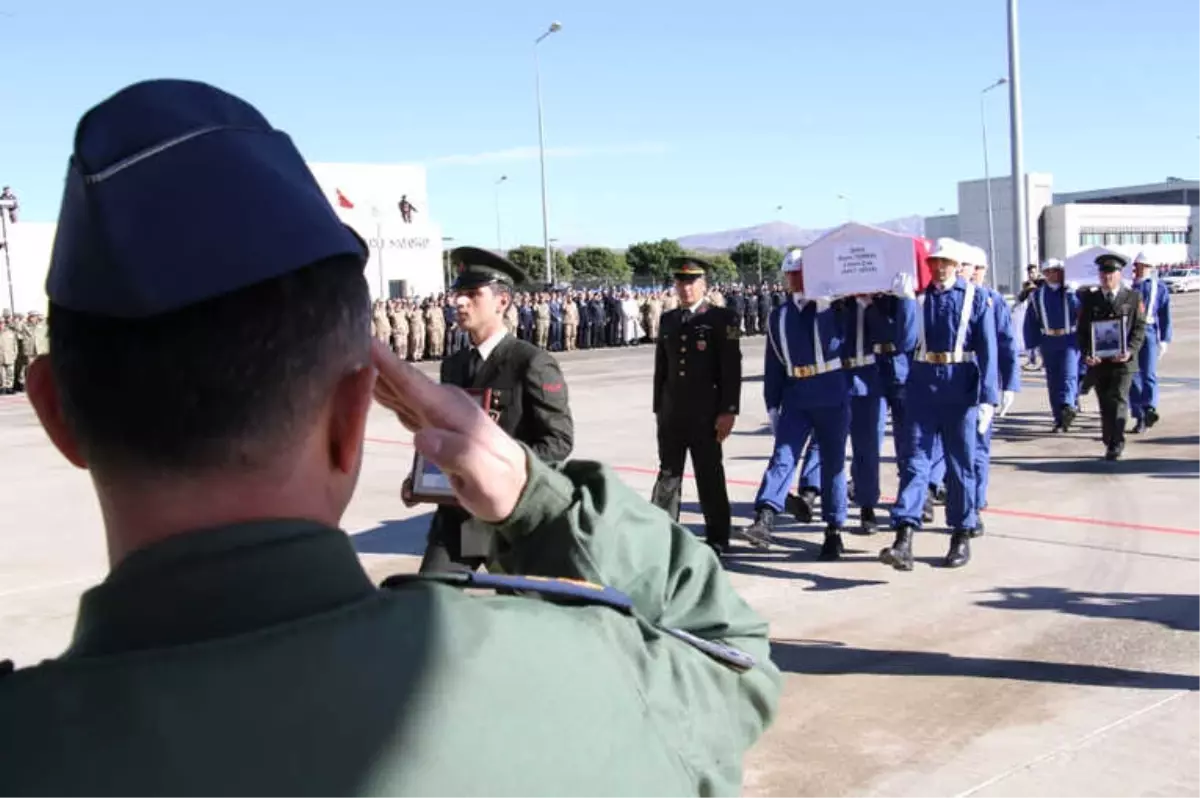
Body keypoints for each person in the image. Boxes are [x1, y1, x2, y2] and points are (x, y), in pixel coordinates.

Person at [0, 78, 781, 798]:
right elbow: (729, 658)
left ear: (57, 415)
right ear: (354, 415)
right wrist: (536, 505)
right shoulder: (576, 676)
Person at [414, 246, 574, 573]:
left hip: (512, 516)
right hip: (459, 514)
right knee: (432, 599)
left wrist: (502, 469)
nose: (459, 302)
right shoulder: (454, 366)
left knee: (523, 611)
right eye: (458, 293)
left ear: (502, 301)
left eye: (473, 294)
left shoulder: (530, 362)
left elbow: (558, 441)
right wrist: (421, 478)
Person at [880, 239, 998, 571]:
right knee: (915, 461)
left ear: (958, 265)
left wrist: (989, 397)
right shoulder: (919, 299)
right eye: (934, 262)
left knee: (960, 464)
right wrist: (904, 303)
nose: (939, 267)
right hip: (922, 384)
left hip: (960, 385)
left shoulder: (976, 298)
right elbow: (905, 343)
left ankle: (961, 533)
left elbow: (988, 350)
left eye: (945, 262)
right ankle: (903, 537)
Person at [740, 250, 850, 559]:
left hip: (831, 391)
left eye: (800, 274)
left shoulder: (834, 309)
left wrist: (828, 309)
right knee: (782, 457)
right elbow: (774, 362)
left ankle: (834, 530)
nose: (795, 280)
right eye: (790, 275)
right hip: (797, 395)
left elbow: (836, 345)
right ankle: (764, 518)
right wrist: (772, 403)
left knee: (833, 466)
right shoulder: (780, 315)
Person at [650, 256, 742, 556]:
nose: (685, 287)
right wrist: (659, 409)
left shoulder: (721, 318)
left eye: (691, 282)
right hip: (672, 413)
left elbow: (730, 369)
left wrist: (728, 410)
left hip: (706, 414)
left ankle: (717, 537)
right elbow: (661, 369)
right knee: (668, 475)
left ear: (704, 284)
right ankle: (662, 537)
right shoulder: (668, 320)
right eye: (680, 282)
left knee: (709, 475)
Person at [966, 247, 1019, 535]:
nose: (972, 273)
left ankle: (974, 501)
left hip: (982, 383)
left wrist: (1009, 383)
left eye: (977, 268)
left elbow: (1006, 344)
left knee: (978, 447)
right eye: (968, 267)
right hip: (953, 384)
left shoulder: (992, 301)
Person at [1077, 253, 1146, 460]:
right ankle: (1109, 439)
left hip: (1123, 362)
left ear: (1119, 274)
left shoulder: (1133, 298)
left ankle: (1116, 443)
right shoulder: (1090, 299)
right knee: (1105, 403)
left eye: (1110, 273)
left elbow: (1139, 328)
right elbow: (1082, 330)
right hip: (1099, 362)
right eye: (1102, 273)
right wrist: (1087, 353)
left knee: (1118, 399)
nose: (1106, 277)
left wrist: (1130, 350)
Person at [1023, 258, 1081, 432]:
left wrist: (1072, 293)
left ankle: (1068, 406)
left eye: (1055, 271)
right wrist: (1031, 346)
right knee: (1053, 381)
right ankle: (1059, 418)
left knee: (1069, 375)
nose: (1052, 275)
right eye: (1048, 272)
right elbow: (1031, 322)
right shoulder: (1037, 295)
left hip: (1069, 339)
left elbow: (1079, 311)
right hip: (1048, 340)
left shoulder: (1071, 292)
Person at [1129, 253, 1172, 433]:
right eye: (1138, 265)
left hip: (1149, 331)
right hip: (1129, 332)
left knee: (1149, 373)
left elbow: (1165, 315)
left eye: (1145, 266)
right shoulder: (1128, 285)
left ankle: (1149, 409)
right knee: (1133, 376)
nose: (1141, 269)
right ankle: (1139, 415)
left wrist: (1164, 339)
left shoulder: (1159, 287)